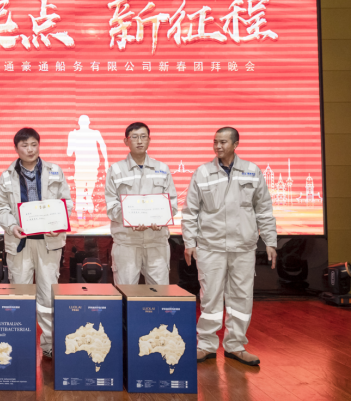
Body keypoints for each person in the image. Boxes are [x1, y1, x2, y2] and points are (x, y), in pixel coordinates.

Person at [181, 127, 277, 366]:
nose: (218, 146)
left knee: (241, 298)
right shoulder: (202, 172)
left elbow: (264, 209)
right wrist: (189, 242)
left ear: (235, 144)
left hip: (243, 247)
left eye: (223, 142)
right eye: (215, 142)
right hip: (210, 246)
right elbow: (190, 211)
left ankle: (235, 346)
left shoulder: (252, 171)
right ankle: (206, 345)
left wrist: (270, 241)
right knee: (210, 297)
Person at [0, 128, 73, 359]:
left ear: (39, 145)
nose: (30, 149)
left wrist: (59, 222)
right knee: (20, 293)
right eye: (24, 145)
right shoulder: (6, 176)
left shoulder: (55, 171)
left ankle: (49, 344)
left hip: (49, 242)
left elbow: (66, 202)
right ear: (16, 148)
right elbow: (1, 209)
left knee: (48, 294)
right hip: (20, 242)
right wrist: (11, 226)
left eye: (33, 144)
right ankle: (21, 344)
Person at [104, 122, 177, 285]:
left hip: (156, 241)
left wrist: (161, 219)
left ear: (149, 140)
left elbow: (172, 204)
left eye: (143, 137)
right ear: (126, 141)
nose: (139, 141)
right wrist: (131, 220)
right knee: (126, 292)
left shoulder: (162, 168)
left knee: (160, 293)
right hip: (127, 242)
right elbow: (111, 206)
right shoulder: (115, 170)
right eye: (134, 137)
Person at [67, 115, 109, 227]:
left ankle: (82, 220)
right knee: (88, 194)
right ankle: (89, 219)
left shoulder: (74, 134)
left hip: (84, 167)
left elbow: (69, 152)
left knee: (81, 193)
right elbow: (103, 146)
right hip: (90, 166)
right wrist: (106, 162)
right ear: (89, 122)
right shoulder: (94, 133)